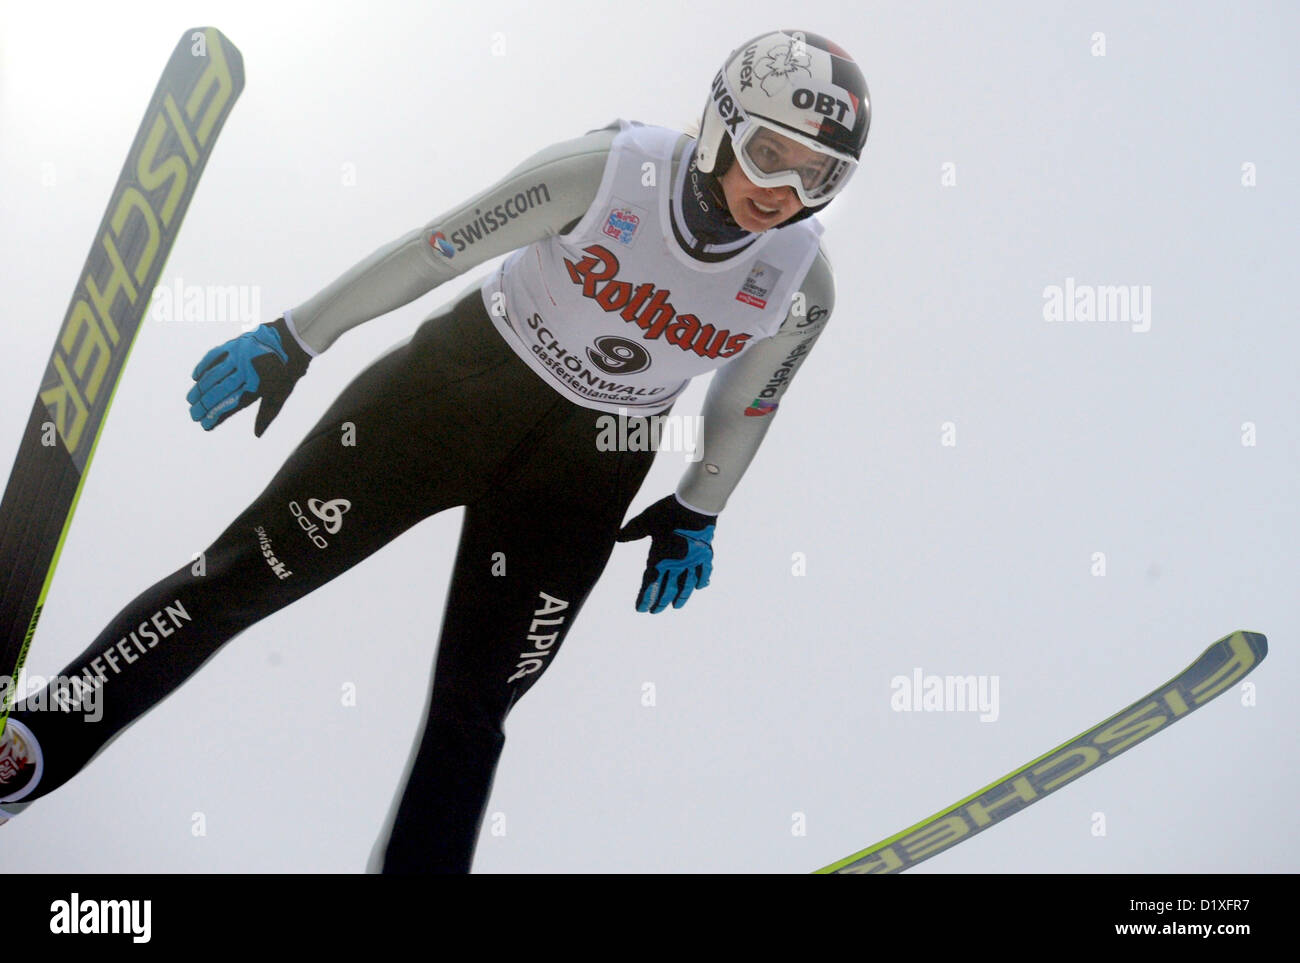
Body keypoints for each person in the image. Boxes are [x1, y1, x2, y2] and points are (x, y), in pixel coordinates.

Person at [0, 28, 870, 872]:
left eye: (818, 173)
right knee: (245, 574)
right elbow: (435, 250)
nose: (784, 189)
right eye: (768, 153)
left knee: (476, 709)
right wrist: (299, 335)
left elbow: (752, 396)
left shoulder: (802, 282)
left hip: (591, 466)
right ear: (720, 121)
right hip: (454, 395)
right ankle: (33, 747)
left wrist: (698, 509)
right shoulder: (609, 171)